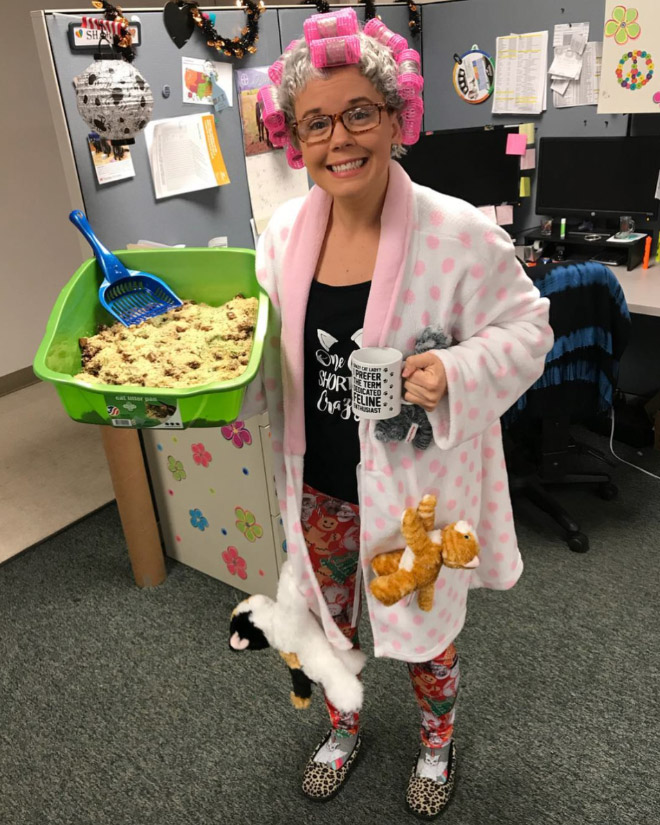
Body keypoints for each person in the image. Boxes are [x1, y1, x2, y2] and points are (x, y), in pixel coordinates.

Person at [239, 11, 553, 818]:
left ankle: (435, 745)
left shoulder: (457, 233)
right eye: (316, 122)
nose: (338, 139)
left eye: (358, 113)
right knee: (322, 621)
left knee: (424, 635)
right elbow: (259, 350)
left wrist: (452, 371)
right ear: (293, 138)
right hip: (317, 486)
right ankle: (343, 727)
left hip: (412, 494)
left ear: (396, 116)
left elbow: (530, 326)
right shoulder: (278, 238)